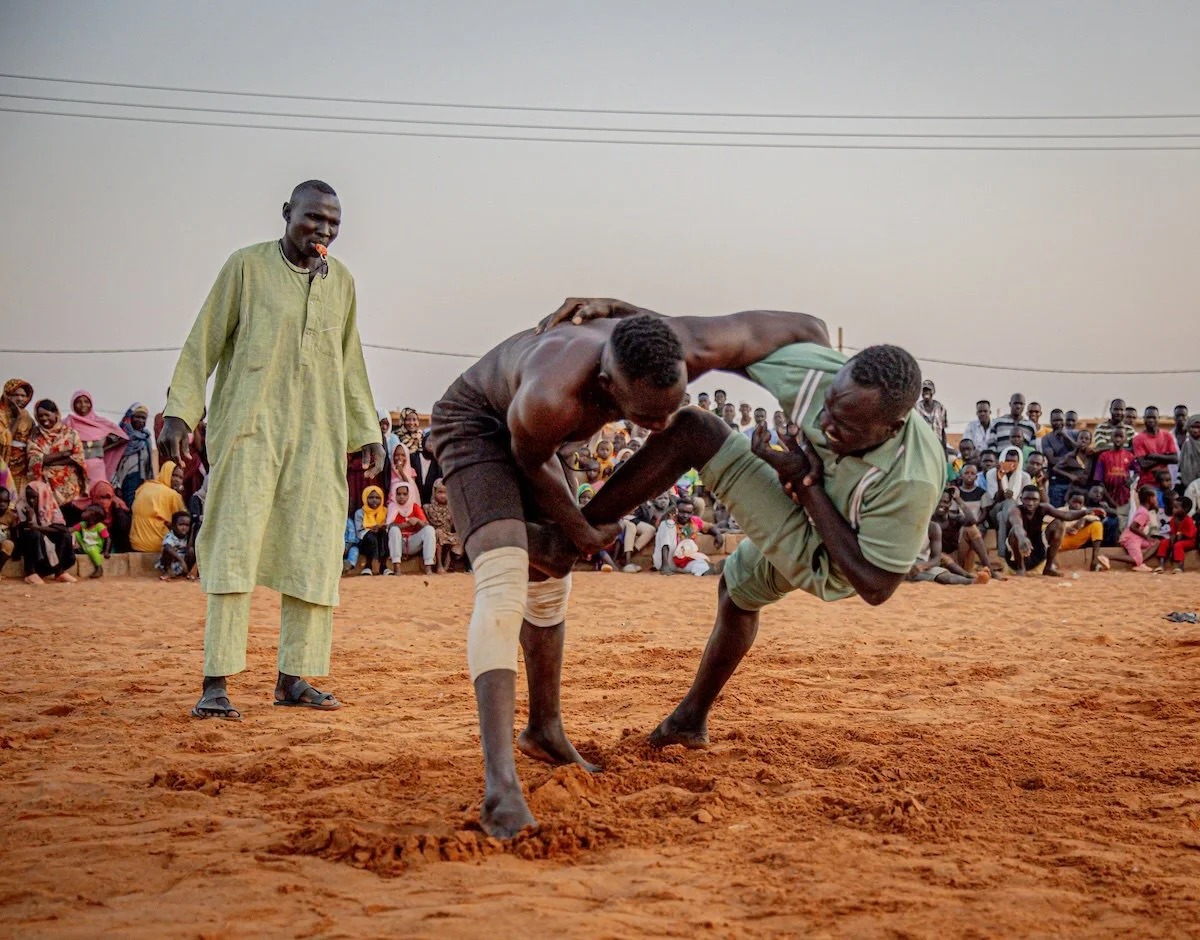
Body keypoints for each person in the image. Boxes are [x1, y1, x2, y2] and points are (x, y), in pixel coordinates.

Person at [430, 297, 830, 838]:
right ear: (606, 385)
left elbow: (808, 329)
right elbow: (529, 458)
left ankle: (545, 729)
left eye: (670, 407)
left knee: (548, 586)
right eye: (645, 417)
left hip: (550, 440)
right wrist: (580, 531)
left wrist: (820, 433)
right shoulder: (553, 395)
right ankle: (500, 786)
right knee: (505, 582)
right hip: (480, 426)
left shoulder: (681, 344)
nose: (660, 425)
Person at [573, 309, 943, 776]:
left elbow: (875, 585)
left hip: (840, 558)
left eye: (845, 428)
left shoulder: (910, 478)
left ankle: (568, 540)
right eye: (828, 406)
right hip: (805, 494)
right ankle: (689, 720)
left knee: (696, 432)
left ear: (892, 428)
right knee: (736, 591)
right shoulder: (817, 377)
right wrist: (619, 314)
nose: (825, 424)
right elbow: (714, 340)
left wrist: (806, 486)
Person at [160, 180, 384, 721]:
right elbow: (204, 340)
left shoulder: (343, 282)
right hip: (250, 430)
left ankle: (294, 677)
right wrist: (180, 410)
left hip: (318, 435)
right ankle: (216, 684)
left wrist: (366, 431)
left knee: (313, 549)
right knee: (233, 547)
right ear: (287, 214)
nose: (323, 231)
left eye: (333, 223)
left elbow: (349, 361)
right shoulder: (246, 267)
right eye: (313, 219)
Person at [1005, 484, 1101, 577]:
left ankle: (1048, 567)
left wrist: (1086, 512)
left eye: (1034, 499)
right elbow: (1017, 526)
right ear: (1021, 499)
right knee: (1015, 532)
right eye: (1027, 499)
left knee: (1059, 524)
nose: (1030, 503)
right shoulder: (1015, 511)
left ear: (1039, 500)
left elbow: (1066, 516)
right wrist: (1022, 539)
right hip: (1014, 559)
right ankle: (1020, 568)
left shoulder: (1043, 508)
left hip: (1037, 553)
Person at [26, 399, 88, 508]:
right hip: (46, 485)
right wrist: (63, 454)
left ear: (56, 413)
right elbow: (33, 459)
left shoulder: (71, 434)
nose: (44, 419)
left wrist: (47, 460)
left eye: (47, 415)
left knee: (71, 517)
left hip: (69, 486)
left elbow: (78, 458)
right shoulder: (35, 436)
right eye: (40, 416)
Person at [62, 390, 128, 491]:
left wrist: (101, 449)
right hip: (75, 469)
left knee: (99, 495)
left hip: (97, 469)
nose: (83, 405)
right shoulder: (67, 423)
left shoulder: (101, 422)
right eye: (79, 402)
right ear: (73, 404)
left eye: (86, 401)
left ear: (91, 404)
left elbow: (123, 437)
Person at [15, 481, 77, 584]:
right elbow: (22, 528)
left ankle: (59, 571)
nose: (31, 500)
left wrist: (38, 527)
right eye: (29, 497)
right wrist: (30, 520)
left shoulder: (50, 507)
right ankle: (30, 572)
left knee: (65, 536)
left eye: (34, 497)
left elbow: (61, 528)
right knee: (34, 534)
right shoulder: (22, 506)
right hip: (27, 542)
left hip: (44, 538)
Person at [908, 497, 977, 586]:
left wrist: (922, 566)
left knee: (945, 577)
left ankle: (971, 581)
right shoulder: (901, 525)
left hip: (921, 563)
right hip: (901, 563)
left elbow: (936, 558)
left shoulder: (932, 527)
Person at [130, 462, 187, 552]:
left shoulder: (145, 486)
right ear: (166, 473)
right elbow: (182, 521)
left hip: (135, 543)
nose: (177, 480)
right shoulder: (173, 495)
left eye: (180, 478)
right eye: (174, 475)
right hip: (156, 545)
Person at [983, 446, 1030, 555]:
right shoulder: (991, 473)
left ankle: (1002, 552)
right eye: (1008, 461)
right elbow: (996, 499)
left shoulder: (1025, 477)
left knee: (1002, 515)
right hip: (995, 509)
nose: (1011, 464)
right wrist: (999, 479)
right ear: (1002, 460)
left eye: (1014, 462)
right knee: (1008, 503)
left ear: (1019, 462)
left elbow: (1022, 502)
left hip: (1015, 514)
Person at [66, 480, 132, 553]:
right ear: (94, 496)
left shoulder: (117, 508)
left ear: (112, 497)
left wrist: (117, 509)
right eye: (101, 497)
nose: (104, 501)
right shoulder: (83, 509)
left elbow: (124, 528)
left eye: (107, 497)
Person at [112, 404, 157, 507]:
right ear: (131, 418)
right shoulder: (123, 436)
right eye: (137, 417)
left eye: (143, 418)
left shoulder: (146, 438)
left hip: (144, 478)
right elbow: (114, 460)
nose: (140, 420)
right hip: (127, 476)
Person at [387, 480, 437, 575]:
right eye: (399, 494)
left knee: (429, 530)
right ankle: (397, 568)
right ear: (394, 494)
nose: (402, 496)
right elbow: (389, 527)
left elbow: (426, 524)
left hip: (414, 543)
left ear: (409, 495)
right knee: (394, 530)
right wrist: (406, 524)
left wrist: (417, 521)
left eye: (405, 494)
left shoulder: (414, 506)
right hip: (399, 543)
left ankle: (428, 567)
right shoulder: (392, 507)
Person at [1, 379, 37, 493]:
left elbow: (33, 438)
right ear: (7, 395)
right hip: (4, 465)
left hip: (23, 468)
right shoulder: (1, 415)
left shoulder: (27, 416)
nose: (20, 399)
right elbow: (4, 441)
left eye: (23, 395)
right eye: (15, 395)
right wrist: (18, 418)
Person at [1058, 493, 1109, 572]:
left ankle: (1094, 562)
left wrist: (1084, 519)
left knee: (1097, 525)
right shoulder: (1060, 510)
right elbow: (1047, 525)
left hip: (1076, 539)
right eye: (1074, 502)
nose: (1077, 505)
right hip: (1061, 540)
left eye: (1080, 503)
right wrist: (1064, 529)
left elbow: (1096, 519)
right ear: (1068, 501)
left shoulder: (1085, 511)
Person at [1115, 486, 1160, 572]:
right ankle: (1107, 556)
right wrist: (1146, 537)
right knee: (1136, 559)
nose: (1156, 500)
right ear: (1150, 499)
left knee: (1156, 543)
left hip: (1137, 538)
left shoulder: (1143, 510)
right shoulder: (1144, 513)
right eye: (1155, 498)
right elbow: (1133, 527)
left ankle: (1140, 562)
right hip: (1131, 538)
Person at [1097, 428, 1136, 527]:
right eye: (1116, 436)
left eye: (1121, 436)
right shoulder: (1103, 456)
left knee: (1122, 524)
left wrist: (1131, 480)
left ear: (1125, 439)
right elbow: (1099, 480)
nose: (1118, 439)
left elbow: (1138, 470)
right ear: (1111, 438)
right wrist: (1109, 499)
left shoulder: (1130, 456)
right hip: (1107, 498)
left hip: (1124, 498)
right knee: (1107, 524)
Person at [1132, 406, 1179, 489]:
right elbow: (1144, 464)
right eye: (1148, 417)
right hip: (1146, 484)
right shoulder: (1138, 439)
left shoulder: (1167, 436)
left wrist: (1154, 456)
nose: (1151, 420)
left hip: (1165, 484)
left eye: (1153, 417)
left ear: (1158, 418)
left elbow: (1175, 459)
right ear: (1144, 419)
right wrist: (1165, 457)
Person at [423, 478, 463, 572]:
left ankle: (450, 564)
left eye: (446, 493)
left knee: (463, 536)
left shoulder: (452, 508)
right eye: (440, 492)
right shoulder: (428, 508)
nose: (443, 496)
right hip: (435, 536)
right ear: (434, 492)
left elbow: (455, 525)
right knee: (439, 533)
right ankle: (439, 565)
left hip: (448, 535)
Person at [1049, 428, 1093, 508]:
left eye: (1086, 439)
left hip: (1088, 489)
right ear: (1077, 440)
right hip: (1074, 490)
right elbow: (1056, 468)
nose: (1083, 440)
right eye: (1081, 438)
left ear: (1090, 442)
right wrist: (1070, 476)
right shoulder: (1070, 456)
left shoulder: (1092, 456)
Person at [354, 486, 390, 576]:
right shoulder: (360, 512)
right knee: (371, 536)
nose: (374, 500)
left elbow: (389, 526)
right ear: (365, 498)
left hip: (382, 538)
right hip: (365, 541)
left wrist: (381, 527)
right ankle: (368, 566)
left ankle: (383, 566)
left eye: (377, 498)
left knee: (383, 534)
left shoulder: (386, 511)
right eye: (371, 497)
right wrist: (370, 529)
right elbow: (359, 532)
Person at [1153, 496, 1195, 573]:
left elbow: (1190, 535)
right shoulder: (1173, 519)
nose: (1173, 509)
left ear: (1185, 509)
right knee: (1164, 542)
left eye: (1176, 507)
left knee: (1178, 545)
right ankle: (1161, 565)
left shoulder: (1188, 520)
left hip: (1189, 540)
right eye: (1173, 507)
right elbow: (1172, 533)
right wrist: (1172, 546)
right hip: (1177, 538)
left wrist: (1179, 537)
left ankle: (1180, 566)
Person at [71, 503, 111, 579]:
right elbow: (71, 530)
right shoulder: (83, 524)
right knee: (75, 532)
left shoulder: (100, 526)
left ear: (93, 516)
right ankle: (76, 548)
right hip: (85, 545)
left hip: (96, 547)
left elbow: (108, 539)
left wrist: (106, 551)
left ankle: (99, 568)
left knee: (92, 549)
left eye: (86, 512)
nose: (83, 513)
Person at [158, 510, 197, 581]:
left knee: (191, 550)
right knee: (166, 550)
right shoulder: (170, 536)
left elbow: (189, 547)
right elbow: (167, 546)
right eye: (181, 524)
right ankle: (168, 573)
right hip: (173, 563)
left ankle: (188, 573)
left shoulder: (187, 536)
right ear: (173, 525)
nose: (184, 528)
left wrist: (192, 531)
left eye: (187, 525)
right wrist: (181, 561)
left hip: (183, 565)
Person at [915, 379, 948, 452]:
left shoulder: (940, 408)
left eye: (929, 390)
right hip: (921, 445)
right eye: (924, 390)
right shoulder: (916, 408)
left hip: (937, 445)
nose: (926, 392)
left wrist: (944, 449)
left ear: (933, 391)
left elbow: (943, 430)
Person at [1178, 414, 1200, 491]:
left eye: (1198, 427)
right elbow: (1181, 467)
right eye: (1192, 427)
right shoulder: (1186, 445)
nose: (1195, 430)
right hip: (1188, 487)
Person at [0, 486, 16, 571]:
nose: (2, 504)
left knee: (9, 544)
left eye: (5, 501)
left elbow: (14, 535)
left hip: (3, 545)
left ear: (9, 502)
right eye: (0, 501)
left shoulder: (11, 516)